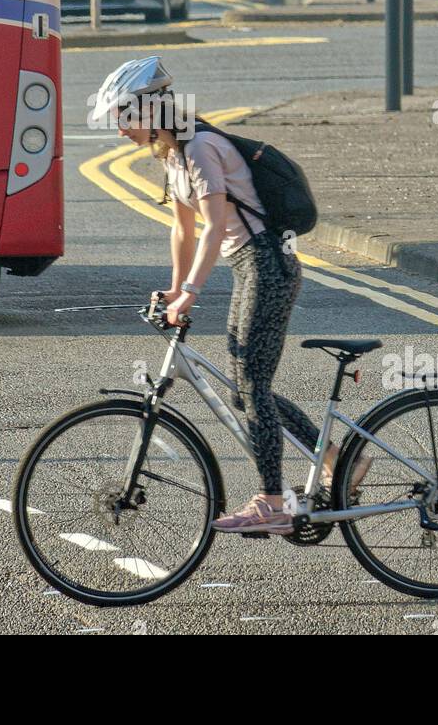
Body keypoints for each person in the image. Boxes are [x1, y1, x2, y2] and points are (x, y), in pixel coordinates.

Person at [92, 57, 367, 536]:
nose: (119, 130)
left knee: (253, 386)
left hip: (268, 264)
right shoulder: (172, 154)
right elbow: (181, 230)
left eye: (122, 116)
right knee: (245, 390)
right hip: (248, 266)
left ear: (150, 109)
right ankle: (338, 462)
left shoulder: (200, 147)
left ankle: (272, 500)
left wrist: (192, 294)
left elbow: (215, 228)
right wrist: (176, 288)